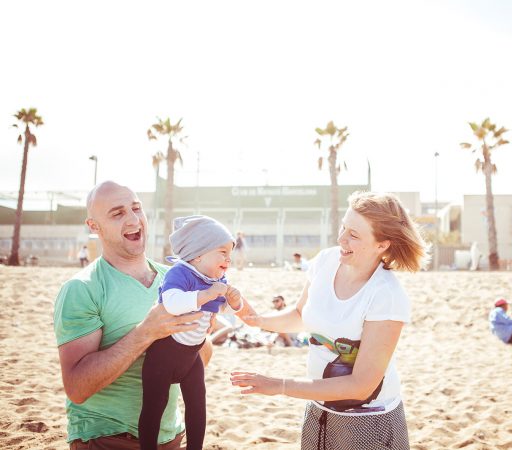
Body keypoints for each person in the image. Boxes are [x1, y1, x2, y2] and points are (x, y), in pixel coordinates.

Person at [231, 191, 428, 450]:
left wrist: (278, 385)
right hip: (318, 409)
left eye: (354, 235)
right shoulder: (325, 260)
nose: (341, 238)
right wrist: (257, 321)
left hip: (368, 421)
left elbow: (361, 386)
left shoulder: (387, 295)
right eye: (343, 227)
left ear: (382, 245)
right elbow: (301, 315)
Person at [52, 181, 242, 449]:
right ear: (94, 226)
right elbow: (77, 388)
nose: (133, 219)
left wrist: (201, 331)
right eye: (117, 213)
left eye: (136, 208)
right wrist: (146, 333)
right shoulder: (82, 288)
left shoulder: (177, 278)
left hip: (171, 437)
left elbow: (201, 358)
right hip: (108, 437)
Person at [139, 215, 250, 450]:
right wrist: (206, 295)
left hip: (191, 356)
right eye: (222, 252)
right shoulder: (180, 273)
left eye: (230, 254)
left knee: (198, 404)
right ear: (198, 253)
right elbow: (171, 302)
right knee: (154, 406)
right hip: (163, 355)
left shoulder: (217, 278)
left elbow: (225, 308)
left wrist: (234, 301)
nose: (228, 260)